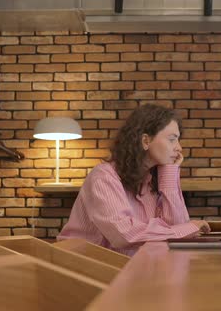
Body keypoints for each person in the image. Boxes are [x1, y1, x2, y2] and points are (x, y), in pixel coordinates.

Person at [57, 104, 210, 255]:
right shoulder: (104, 176)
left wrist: (169, 172)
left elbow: (177, 228)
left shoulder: (153, 177)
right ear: (145, 141)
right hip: (83, 266)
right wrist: (187, 228)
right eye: (172, 139)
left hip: (123, 266)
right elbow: (124, 235)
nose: (179, 148)